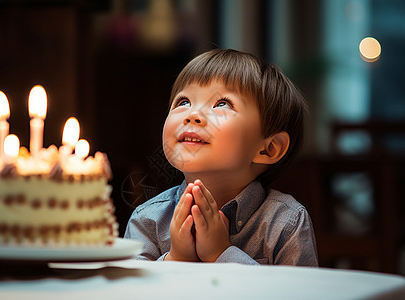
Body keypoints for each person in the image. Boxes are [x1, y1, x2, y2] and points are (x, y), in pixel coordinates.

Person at [124, 49, 318, 265]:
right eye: (183, 101)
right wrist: (175, 259)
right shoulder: (148, 220)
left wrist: (222, 254)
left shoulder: (286, 223)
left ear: (268, 149)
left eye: (222, 104)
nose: (193, 115)